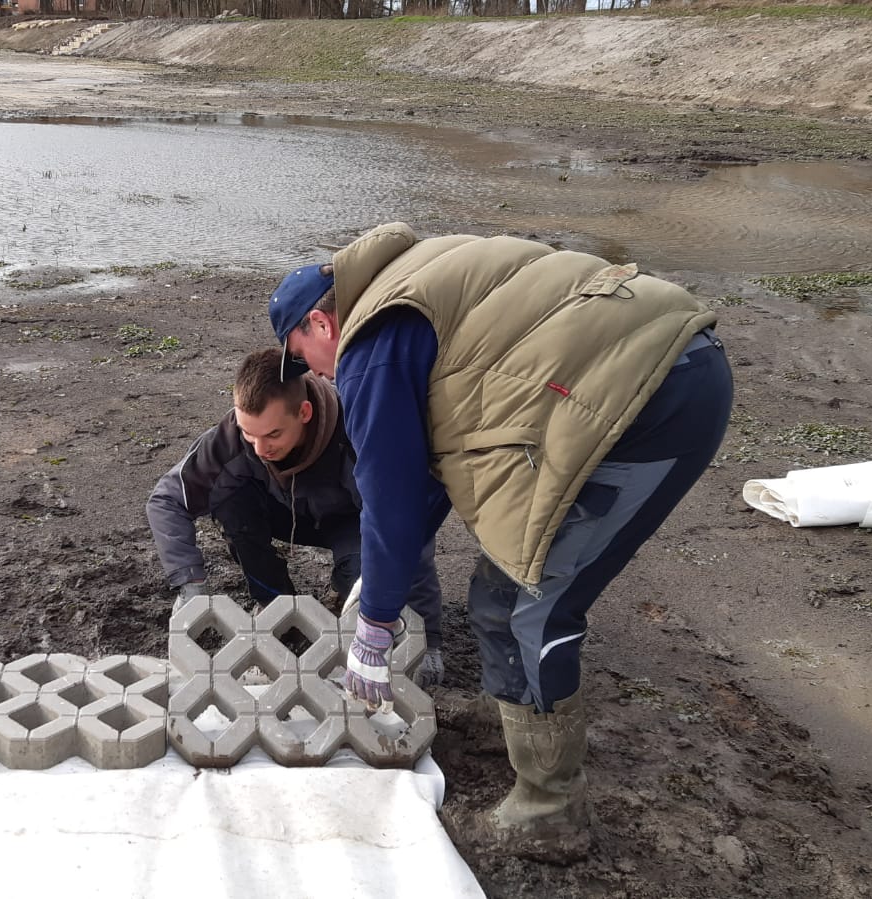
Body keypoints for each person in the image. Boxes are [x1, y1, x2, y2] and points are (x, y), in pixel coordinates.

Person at [268, 223, 733, 861]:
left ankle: (549, 813)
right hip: (653, 367)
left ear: (322, 323)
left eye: (302, 359)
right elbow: (427, 477)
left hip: (647, 401)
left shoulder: (370, 345)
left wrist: (375, 623)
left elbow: (391, 491)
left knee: (526, 608)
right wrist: (378, 581)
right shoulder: (405, 284)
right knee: (501, 586)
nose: (313, 375)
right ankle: (513, 710)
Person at [146, 348, 446, 687]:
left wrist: (429, 637)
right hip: (282, 511)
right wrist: (189, 583)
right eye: (249, 433)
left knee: (370, 580)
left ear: (304, 412)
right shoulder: (233, 436)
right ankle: (274, 603)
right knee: (230, 500)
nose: (260, 449)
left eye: (273, 434)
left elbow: (407, 530)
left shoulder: (358, 429)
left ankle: (347, 587)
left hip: (353, 520)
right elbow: (166, 500)